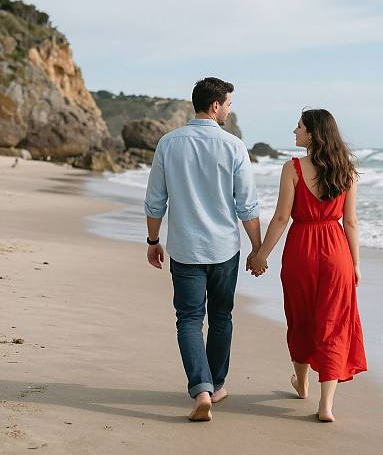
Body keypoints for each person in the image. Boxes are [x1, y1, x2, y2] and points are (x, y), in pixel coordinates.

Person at [144, 77, 262, 421]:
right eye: (228, 104)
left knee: (190, 319)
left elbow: (155, 201)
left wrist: (153, 241)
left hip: (184, 248)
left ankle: (201, 389)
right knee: (221, 316)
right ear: (215, 105)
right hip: (225, 248)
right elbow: (248, 206)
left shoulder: (169, 143)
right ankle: (217, 384)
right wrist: (258, 249)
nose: (229, 109)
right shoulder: (234, 146)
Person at [248, 109, 367, 422]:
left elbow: (281, 218)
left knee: (300, 319)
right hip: (337, 252)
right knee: (333, 324)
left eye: (299, 126)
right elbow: (351, 223)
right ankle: (325, 406)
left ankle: (302, 384)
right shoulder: (347, 170)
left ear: (314, 133)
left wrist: (261, 254)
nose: (294, 131)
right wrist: (355, 264)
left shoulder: (293, 168)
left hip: (301, 250)